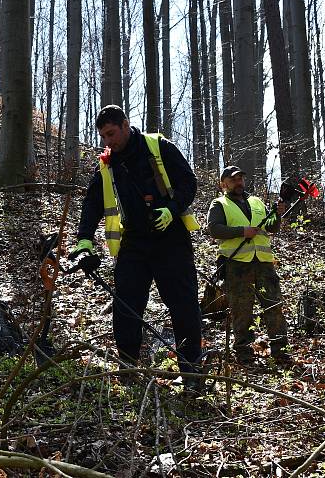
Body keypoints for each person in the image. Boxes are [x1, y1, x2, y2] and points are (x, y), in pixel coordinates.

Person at [70, 105, 202, 384]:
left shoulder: (159, 146)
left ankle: (191, 371)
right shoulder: (108, 163)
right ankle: (128, 367)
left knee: (184, 305)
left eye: (112, 134)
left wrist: (171, 209)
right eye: (103, 136)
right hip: (133, 243)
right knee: (126, 306)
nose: (108, 141)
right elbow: (92, 204)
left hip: (171, 239)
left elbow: (188, 182)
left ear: (126, 124)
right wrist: (84, 241)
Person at [207, 166, 290, 365]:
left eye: (241, 179)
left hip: (264, 263)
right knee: (241, 310)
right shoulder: (219, 204)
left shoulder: (256, 202)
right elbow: (214, 229)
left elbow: (271, 227)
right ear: (223, 183)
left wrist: (277, 214)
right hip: (237, 265)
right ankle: (243, 353)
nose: (239, 183)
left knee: (274, 305)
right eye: (234, 179)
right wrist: (242, 231)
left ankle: (280, 351)